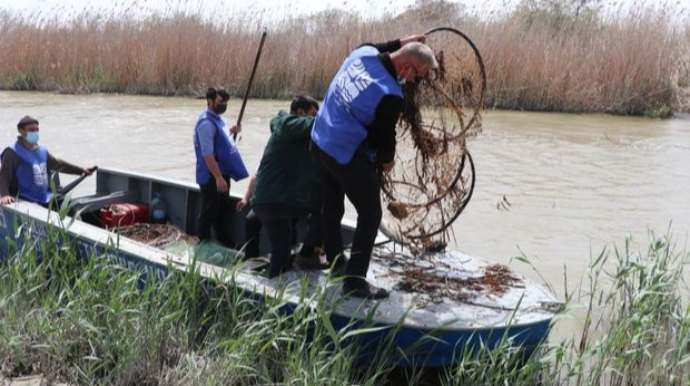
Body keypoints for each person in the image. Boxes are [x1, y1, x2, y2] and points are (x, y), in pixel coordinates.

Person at [310, 36, 438, 299]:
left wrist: (406, 40)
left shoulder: (361, 54)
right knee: (370, 214)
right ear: (407, 67)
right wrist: (388, 161)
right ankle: (354, 282)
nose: (416, 82)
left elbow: (382, 47)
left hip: (318, 141)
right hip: (343, 153)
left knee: (332, 204)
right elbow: (384, 137)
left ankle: (336, 263)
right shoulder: (390, 94)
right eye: (419, 75)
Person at [245, 95, 327, 278]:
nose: (316, 118)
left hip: (277, 200)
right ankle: (305, 256)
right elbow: (319, 125)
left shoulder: (295, 138)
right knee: (326, 206)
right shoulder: (287, 124)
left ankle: (297, 262)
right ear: (300, 112)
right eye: (314, 114)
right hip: (275, 201)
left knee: (282, 250)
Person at [194, 87, 249, 247]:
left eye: (225, 102)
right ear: (210, 101)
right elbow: (208, 154)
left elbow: (220, 142)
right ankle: (203, 243)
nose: (223, 105)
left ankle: (223, 240)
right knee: (209, 212)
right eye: (220, 102)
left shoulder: (218, 118)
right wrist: (218, 178)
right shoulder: (206, 123)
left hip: (222, 174)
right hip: (211, 175)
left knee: (222, 210)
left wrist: (231, 131)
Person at [0, 116, 93, 206]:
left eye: (37, 129)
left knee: (70, 204)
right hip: (25, 199)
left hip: (46, 197)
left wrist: (81, 171)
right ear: (21, 131)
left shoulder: (42, 151)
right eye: (31, 130)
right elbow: (4, 176)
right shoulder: (12, 152)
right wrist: (4, 195)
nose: (35, 132)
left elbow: (58, 164)